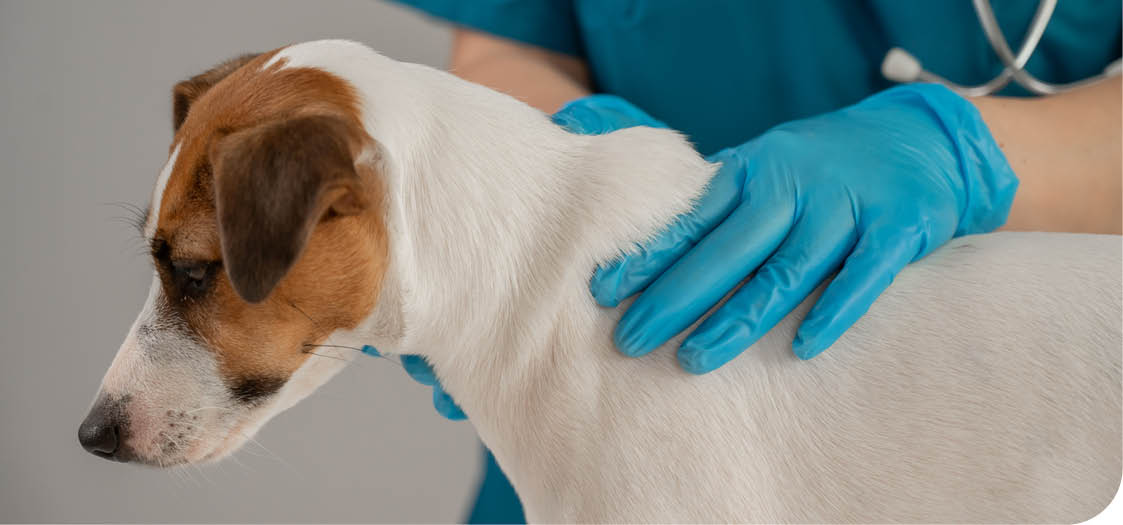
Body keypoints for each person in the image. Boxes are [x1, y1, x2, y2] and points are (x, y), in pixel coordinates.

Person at [385, 1, 1122, 522]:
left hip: (1016, 434)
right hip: (618, 378)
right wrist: (540, 184)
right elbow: (507, 46)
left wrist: (958, 149)